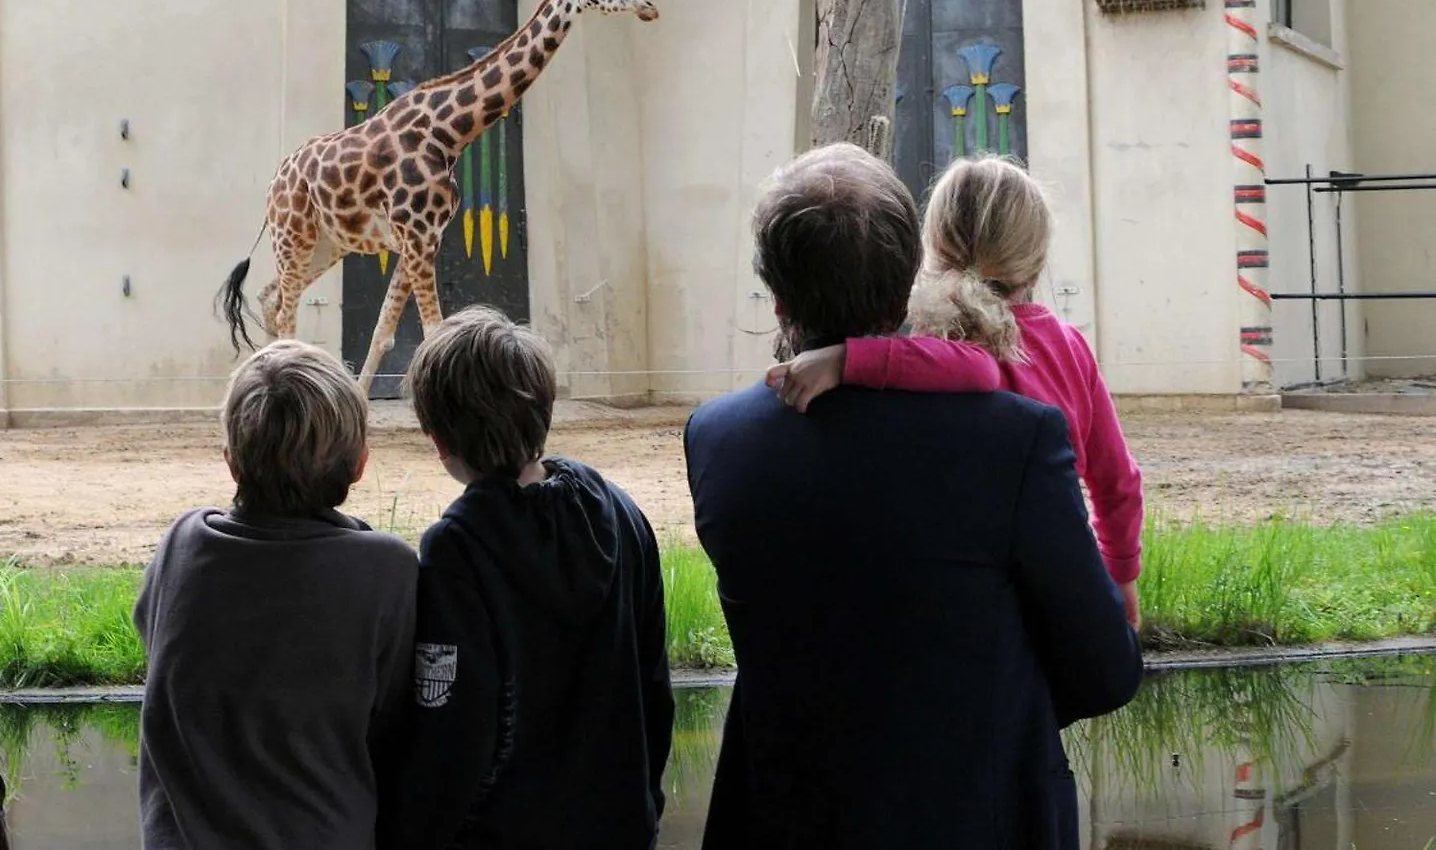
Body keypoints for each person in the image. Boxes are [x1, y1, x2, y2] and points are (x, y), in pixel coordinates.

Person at [684, 144, 1142, 849]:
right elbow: (1105, 672)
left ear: (776, 300)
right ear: (907, 287)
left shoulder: (717, 440)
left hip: (788, 820)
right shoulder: (1016, 442)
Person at [762, 154, 1147, 629]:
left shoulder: (929, 345)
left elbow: (976, 370)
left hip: (963, 580)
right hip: (1055, 571)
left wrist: (847, 357)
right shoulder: (1069, 348)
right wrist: (1121, 574)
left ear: (931, 249)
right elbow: (1118, 482)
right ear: (1037, 258)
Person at [380, 305, 673, 850]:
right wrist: (645, 804)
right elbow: (654, 683)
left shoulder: (457, 550)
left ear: (440, 441)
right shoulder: (623, 512)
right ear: (544, 409)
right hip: (619, 826)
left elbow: (453, 727)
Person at [134, 338, 417, 850]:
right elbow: (399, 722)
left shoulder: (184, 545)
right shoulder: (386, 570)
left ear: (231, 463)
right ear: (359, 465)